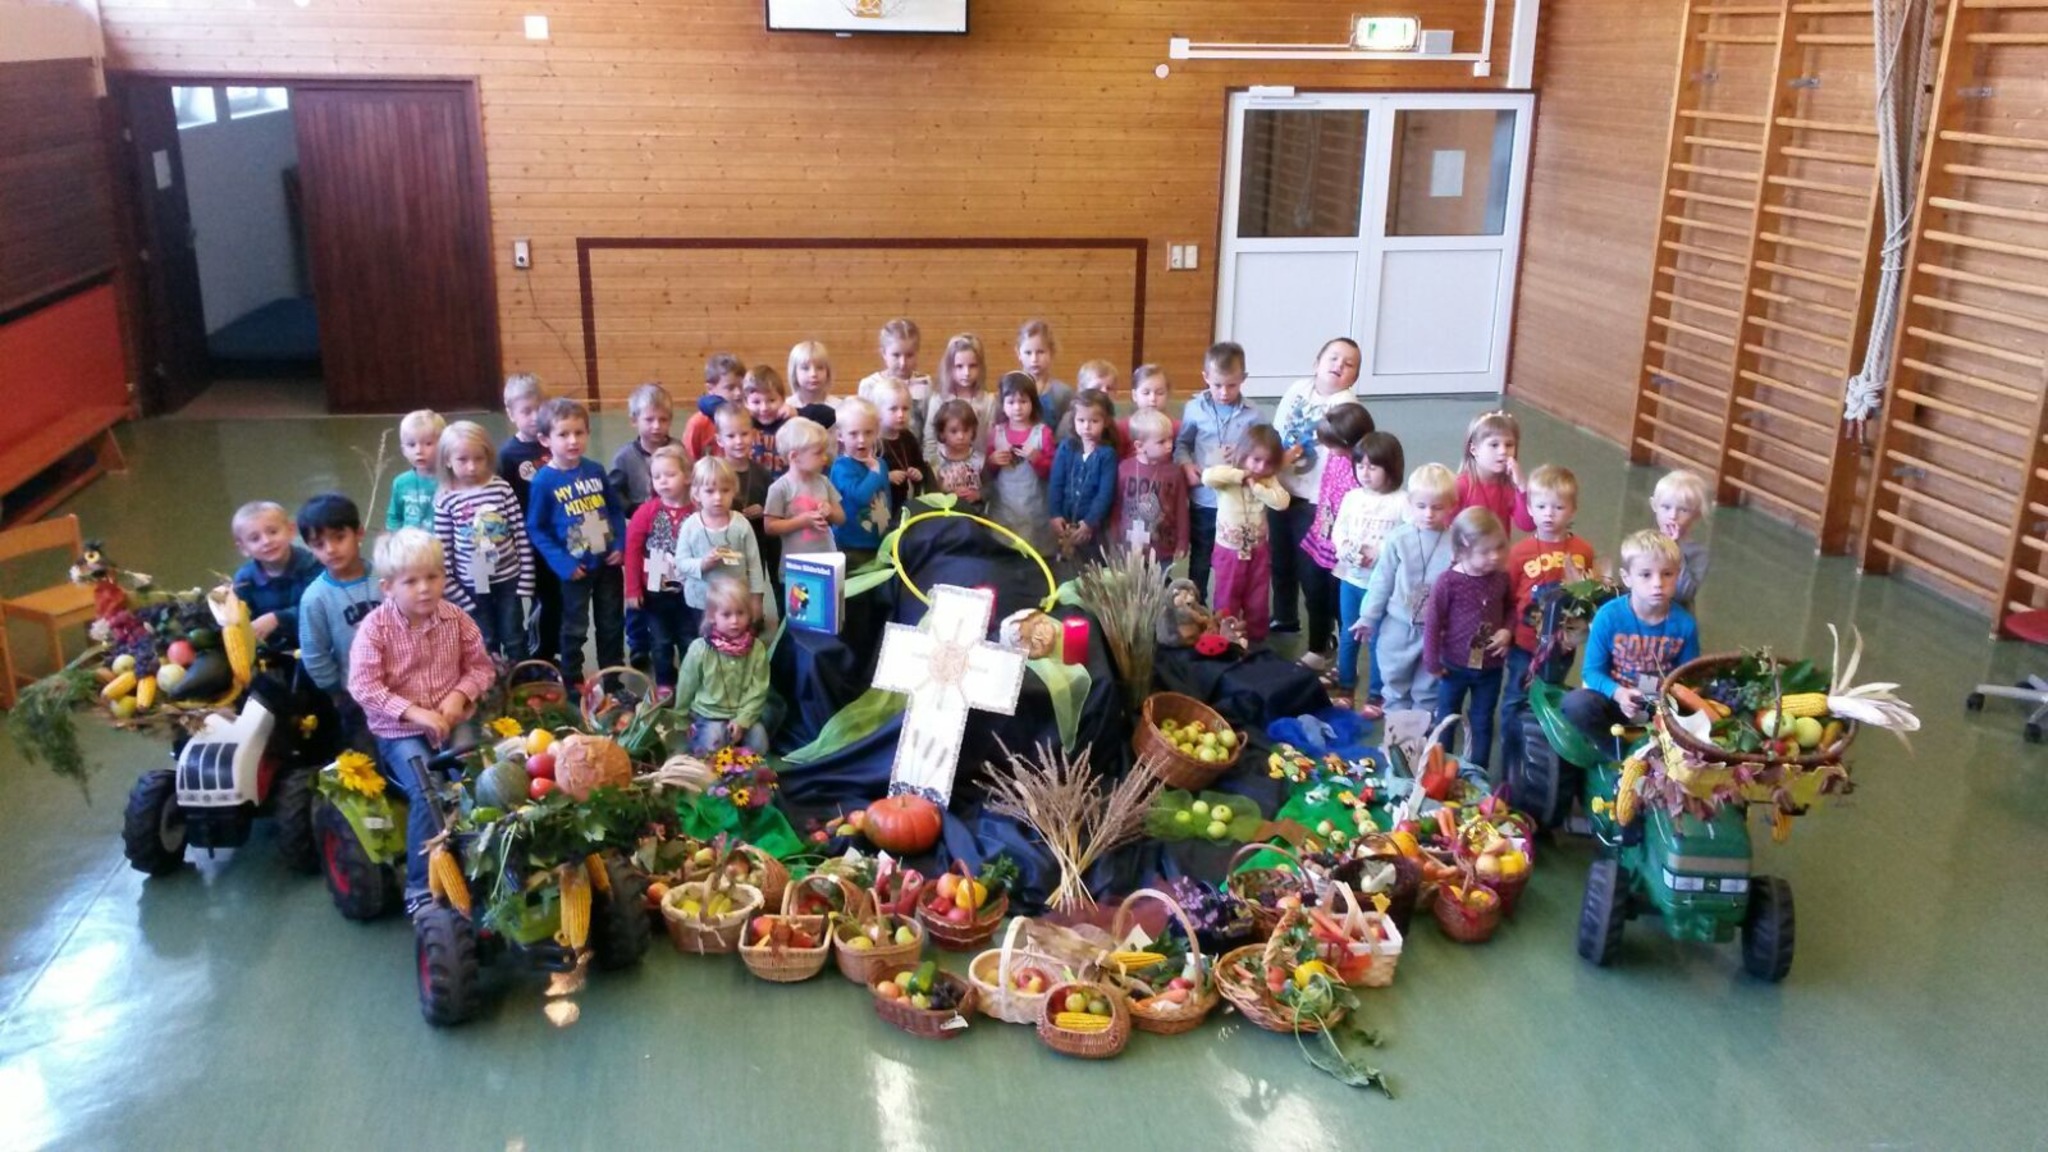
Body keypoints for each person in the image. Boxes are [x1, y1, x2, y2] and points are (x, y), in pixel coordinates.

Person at [346, 529, 495, 918]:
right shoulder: (375, 629)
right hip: (400, 731)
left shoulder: (457, 619)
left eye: (433, 577)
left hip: (451, 720)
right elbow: (362, 686)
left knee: (481, 778)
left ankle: (479, 856)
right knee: (427, 791)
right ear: (387, 587)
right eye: (411, 581)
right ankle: (418, 884)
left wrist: (459, 695)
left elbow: (481, 668)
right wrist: (414, 712)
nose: (425, 589)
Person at [1500, 465, 1598, 779]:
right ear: (1529, 508)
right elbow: (1508, 594)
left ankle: (1546, 748)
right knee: (1516, 697)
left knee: (1553, 694)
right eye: (1541, 506)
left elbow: (1589, 592)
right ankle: (1510, 751)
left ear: (1573, 510)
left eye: (1558, 507)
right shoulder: (1520, 552)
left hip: (1562, 646)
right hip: (1524, 644)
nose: (1549, 514)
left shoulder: (1583, 551)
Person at [1270, 337, 1367, 655]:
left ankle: (1322, 636)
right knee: (1280, 560)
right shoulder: (1298, 389)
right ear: (1317, 363)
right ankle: (1285, 618)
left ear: (1354, 376)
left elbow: (1347, 460)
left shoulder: (1348, 407)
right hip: (1281, 489)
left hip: (1315, 502)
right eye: (1334, 357)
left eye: (1348, 363)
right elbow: (1279, 428)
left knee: (1312, 571)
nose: (1339, 365)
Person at [526, 398, 627, 687]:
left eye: (579, 433)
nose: (573, 441)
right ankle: (572, 681)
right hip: (575, 570)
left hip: (607, 565)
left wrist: (619, 543)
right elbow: (536, 527)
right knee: (574, 628)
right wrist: (563, 563)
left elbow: (615, 510)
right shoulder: (544, 481)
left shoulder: (595, 470)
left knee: (610, 624)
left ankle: (613, 681)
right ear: (545, 439)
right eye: (563, 434)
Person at [1562, 530, 1700, 737]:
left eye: (1667, 574)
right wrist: (1618, 693)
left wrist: (1664, 702)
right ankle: (1615, 753)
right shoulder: (1608, 617)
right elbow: (1591, 672)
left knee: (1700, 714)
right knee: (1576, 703)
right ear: (1627, 578)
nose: (1657, 583)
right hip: (1616, 697)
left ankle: (1653, 748)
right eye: (1646, 575)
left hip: (1660, 703)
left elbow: (1688, 678)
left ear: (1677, 575)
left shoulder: (1685, 625)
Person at [1356, 463, 1458, 714]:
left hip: (1437, 631)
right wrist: (1368, 616)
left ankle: (1422, 740)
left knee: (1428, 689)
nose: (1429, 514)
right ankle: (1397, 738)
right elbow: (1382, 580)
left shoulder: (1456, 542)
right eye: (1421, 506)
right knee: (1394, 683)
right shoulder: (1398, 538)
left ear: (1451, 506)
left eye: (1437, 507)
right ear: (1410, 504)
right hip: (1399, 625)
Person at [433, 420, 533, 663]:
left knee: (514, 637)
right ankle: (491, 689)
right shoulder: (446, 498)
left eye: (479, 459)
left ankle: (521, 682)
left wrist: (526, 578)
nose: (472, 467)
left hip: (509, 579)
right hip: (471, 586)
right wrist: (457, 593)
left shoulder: (501, 488)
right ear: (447, 460)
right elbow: (443, 550)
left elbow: (519, 532)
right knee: (483, 639)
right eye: (463, 460)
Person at [1423, 508, 1513, 774]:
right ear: (1463, 548)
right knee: (1447, 719)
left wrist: (1508, 631)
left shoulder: (1501, 578)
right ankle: (1441, 769)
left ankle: (1477, 773)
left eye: (1499, 548)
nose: (1494, 556)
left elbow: (1510, 609)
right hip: (1453, 667)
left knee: (1482, 721)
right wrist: (1431, 662)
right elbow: (1433, 623)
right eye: (1485, 552)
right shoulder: (1448, 582)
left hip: (1491, 668)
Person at [1330, 431, 1407, 716]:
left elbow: (1406, 536)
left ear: (1391, 467)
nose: (1365, 473)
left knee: (1378, 639)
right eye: (1360, 465)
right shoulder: (1352, 498)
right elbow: (1340, 530)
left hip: (1383, 585)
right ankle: (1346, 687)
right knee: (1349, 634)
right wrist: (1347, 549)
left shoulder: (1402, 501)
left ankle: (1377, 694)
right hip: (1351, 579)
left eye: (1373, 467)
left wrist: (1380, 551)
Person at [1175, 341, 1260, 600]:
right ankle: (1194, 608)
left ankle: (1227, 614)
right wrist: (1187, 465)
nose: (1224, 392)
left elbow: (1264, 451)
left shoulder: (1254, 415)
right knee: (1201, 557)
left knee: (1232, 562)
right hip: (1204, 499)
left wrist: (1246, 457)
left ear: (1243, 379)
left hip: (1237, 504)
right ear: (1205, 378)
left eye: (1232, 385)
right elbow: (1182, 445)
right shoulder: (1194, 409)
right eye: (1217, 385)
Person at [1300, 404, 1376, 676]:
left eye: (1334, 446)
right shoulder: (1335, 457)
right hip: (1322, 535)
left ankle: (1346, 664)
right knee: (1314, 594)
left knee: (1340, 605)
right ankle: (1317, 647)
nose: (1330, 451)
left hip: (1344, 548)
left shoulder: (1365, 468)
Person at [296, 493, 377, 745]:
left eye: (339, 538)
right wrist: (337, 691)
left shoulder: (388, 575)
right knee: (369, 762)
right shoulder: (315, 598)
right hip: (356, 695)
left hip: (406, 680)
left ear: (359, 533)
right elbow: (314, 653)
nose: (331, 549)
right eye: (319, 544)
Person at [1202, 425, 1290, 644]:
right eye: (1256, 460)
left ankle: (1256, 639)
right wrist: (1241, 475)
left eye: (1268, 463)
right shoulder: (1228, 477)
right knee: (1227, 595)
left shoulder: (1268, 482)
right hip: (1229, 550)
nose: (1261, 467)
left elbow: (1282, 502)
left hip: (1258, 550)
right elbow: (1208, 477)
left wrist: (1258, 488)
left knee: (1257, 597)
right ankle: (1227, 638)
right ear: (1243, 454)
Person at [671, 574, 772, 755]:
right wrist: (681, 719)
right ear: (712, 616)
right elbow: (686, 685)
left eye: (740, 613)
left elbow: (759, 689)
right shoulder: (699, 649)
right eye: (726, 614)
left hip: (744, 714)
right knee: (712, 743)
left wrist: (743, 719)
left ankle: (745, 774)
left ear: (749, 614)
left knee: (759, 742)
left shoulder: (757, 649)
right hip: (708, 714)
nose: (734, 621)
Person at [499, 372, 557, 666]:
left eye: (540, 408)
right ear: (511, 414)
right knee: (541, 601)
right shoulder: (507, 456)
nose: (535, 417)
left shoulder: (554, 444)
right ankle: (539, 655)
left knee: (560, 600)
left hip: (558, 539)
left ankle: (553, 653)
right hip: (529, 544)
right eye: (526, 411)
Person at [230, 500, 322, 651]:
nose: (266, 541)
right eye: (255, 539)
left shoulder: (314, 565)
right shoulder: (244, 580)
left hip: (317, 645)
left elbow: (322, 609)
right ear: (243, 549)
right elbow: (242, 620)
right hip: (272, 653)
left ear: (290, 531)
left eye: (273, 532)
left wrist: (278, 618)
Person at [985, 372, 1055, 555]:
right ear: (1003, 404)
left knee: (1034, 554)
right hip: (1004, 508)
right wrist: (992, 461)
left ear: (1033, 403)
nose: (1017, 407)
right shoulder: (997, 432)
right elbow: (988, 473)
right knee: (1005, 552)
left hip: (1035, 509)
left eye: (1023, 402)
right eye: (1011, 402)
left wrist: (1038, 459)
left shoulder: (1043, 433)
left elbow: (1053, 472)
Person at [1049, 389, 1120, 569]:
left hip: (1094, 529)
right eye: (1081, 420)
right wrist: (1055, 514)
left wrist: (1089, 522)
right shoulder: (1067, 447)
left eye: (1094, 421)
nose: (1086, 427)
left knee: (1092, 569)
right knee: (1064, 567)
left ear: (1106, 422)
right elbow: (1056, 483)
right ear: (1073, 420)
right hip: (1065, 524)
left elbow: (1105, 493)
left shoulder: (1107, 455)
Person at [1112, 408, 1189, 568]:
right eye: (1161, 442)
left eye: (1170, 439)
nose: (1169, 446)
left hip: (1163, 546)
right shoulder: (1124, 468)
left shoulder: (1175, 472)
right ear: (1139, 446)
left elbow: (1181, 509)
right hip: (1130, 545)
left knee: (1160, 588)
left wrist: (1182, 541)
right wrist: (1114, 536)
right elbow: (1117, 505)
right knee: (1133, 588)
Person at [763, 416, 845, 563]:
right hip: (796, 565)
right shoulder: (779, 488)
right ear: (795, 456)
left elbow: (841, 518)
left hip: (826, 560)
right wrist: (802, 521)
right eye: (818, 453)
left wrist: (830, 511)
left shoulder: (824, 482)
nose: (825, 458)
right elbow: (769, 527)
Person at [714, 402, 774, 588]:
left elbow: (773, 506)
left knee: (755, 586)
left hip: (757, 543)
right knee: (728, 589)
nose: (739, 441)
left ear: (754, 435)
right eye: (731, 436)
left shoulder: (762, 472)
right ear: (719, 439)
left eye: (744, 434)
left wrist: (763, 509)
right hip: (725, 543)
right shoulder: (715, 473)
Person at [828, 397, 893, 568]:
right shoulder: (842, 467)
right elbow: (861, 496)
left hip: (878, 540)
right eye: (854, 433)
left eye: (868, 432)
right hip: (850, 545)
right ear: (840, 436)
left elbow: (885, 498)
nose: (862, 440)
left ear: (877, 432)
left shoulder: (880, 464)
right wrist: (873, 472)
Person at [1455, 410, 1537, 534]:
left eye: (1509, 445)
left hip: (1498, 551)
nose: (1503, 451)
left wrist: (1522, 487)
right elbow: (1445, 526)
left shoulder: (1509, 487)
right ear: (1474, 450)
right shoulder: (1461, 486)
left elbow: (1527, 525)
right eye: (1494, 445)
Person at [922, 332, 991, 465]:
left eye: (972, 366)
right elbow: (930, 440)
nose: (966, 373)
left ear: (980, 367)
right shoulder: (938, 400)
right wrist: (933, 471)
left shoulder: (987, 401)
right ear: (949, 367)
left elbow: (989, 441)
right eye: (959, 366)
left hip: (977, 471)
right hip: (943, 471)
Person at [857, 317, 934, 433]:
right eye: (896, 355)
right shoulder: (869, 385)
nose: (903, 363)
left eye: (909, 355)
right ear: (884, 353)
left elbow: (930, 429)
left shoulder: (925, 384)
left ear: (917, 352)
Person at [1653, 468, 1713, 610]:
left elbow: (1683, 593)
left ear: (1697, 514)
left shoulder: (1698, 554)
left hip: (1673, 621)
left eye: (1683, 510)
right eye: (1666, 507)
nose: (1673, 516)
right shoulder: (1643, 543)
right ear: (1654, 506)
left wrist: (1673, 548)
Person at [870, 375, 929, 513]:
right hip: (882, 507)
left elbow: (920, 464)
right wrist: (887, 477)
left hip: (908, 503)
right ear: (878, 411)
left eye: (905, 408)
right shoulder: (873, 442)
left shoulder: (908, 437)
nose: (901, 414)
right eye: (893, 409)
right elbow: (864, 475)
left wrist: (918, 472)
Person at [386, 409, 446, 532]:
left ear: (443, 445)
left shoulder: (450, 480)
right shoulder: (401, 482)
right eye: (411, 445)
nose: (419, 451)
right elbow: (394, 517)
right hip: (410, 547)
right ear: (403, 450)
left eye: (428, 444)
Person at [683, 353, 746, 462]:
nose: (738, 393)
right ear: (710, 388)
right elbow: (687, 462)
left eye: (741, 387)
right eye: (730, 388)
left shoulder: (748, 417)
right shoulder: (698, 424)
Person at [1016, 318, 1073, 435]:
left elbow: (1067, 434)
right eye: (1028, 353)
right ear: (1018, 354)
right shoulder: (1010, 389)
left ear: (1051, 352)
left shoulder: (1063, 393)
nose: (1034, 359)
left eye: (1040, 352)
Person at [929, 398, 986, 511]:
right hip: (945, 518)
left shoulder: (980, 460)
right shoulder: (935, 462)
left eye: (965, 430)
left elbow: (991, 488)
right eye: (954, 431)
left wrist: (978, 495)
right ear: (942, 433)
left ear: (973, 431)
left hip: (976, 518)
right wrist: (947, 495)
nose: (960, 437)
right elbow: (929, 495)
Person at [1122, 363, 1177, 459]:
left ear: (1167, 395)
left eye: (1159, 393)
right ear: (1134, 395)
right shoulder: (1122, 428)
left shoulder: (1176, 427)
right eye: (1146, 393)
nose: (1152, 398)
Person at [1054, 358, 1117, 443]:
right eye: (1096, 388)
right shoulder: (1070, 419)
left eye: (1109, 388)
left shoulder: (1114, 418)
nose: (1104, 392)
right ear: (1081, 390)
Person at [789, 340, 838, 428]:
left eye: (820, 368)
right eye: (805, 368)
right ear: (794, 372)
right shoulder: (786, 408)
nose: (813, 374)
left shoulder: (840, 407)